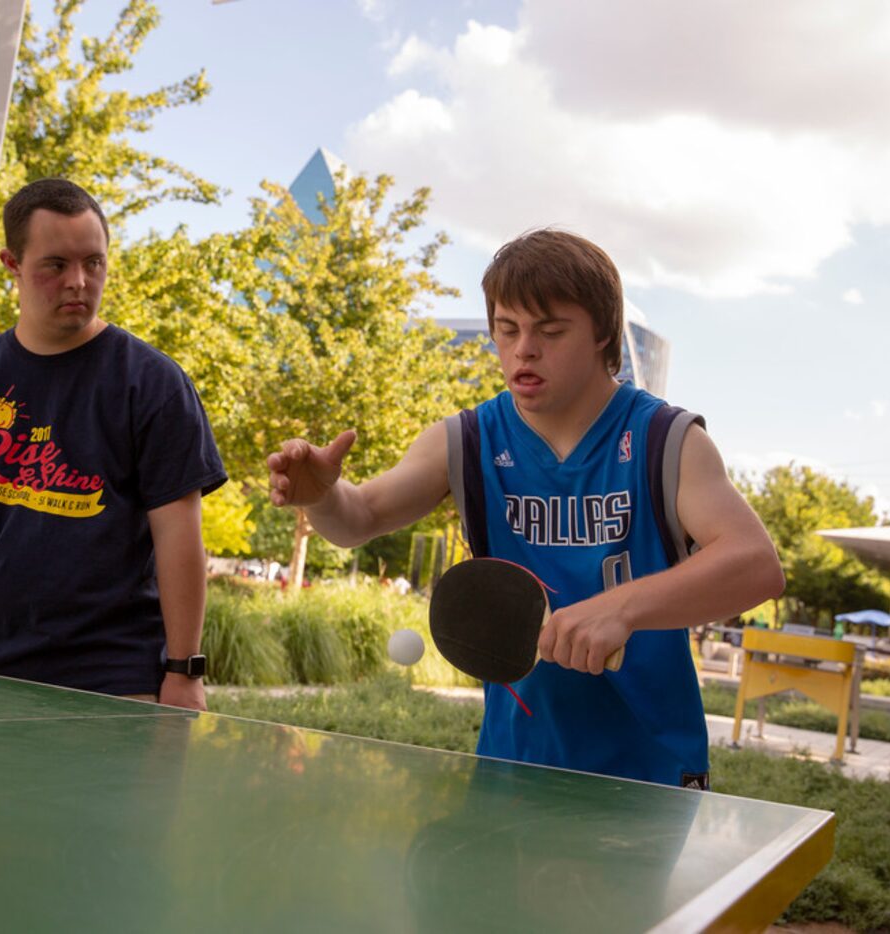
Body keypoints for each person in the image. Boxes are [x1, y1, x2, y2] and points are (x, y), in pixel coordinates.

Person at [266, 229, 784, 787]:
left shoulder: (666, 439)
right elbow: (359, 518)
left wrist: (622, 608)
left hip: (649, 772)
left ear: (603, 333)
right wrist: (321, 495)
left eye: (550, 331)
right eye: (507, 330)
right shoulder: (465, 440)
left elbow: (755, 563)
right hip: (511, 764)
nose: (523, 349)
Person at [0, 178, 226, 710]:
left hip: (115, 682)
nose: (79, 282)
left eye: (94, 263)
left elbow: (179, 538)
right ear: (12, 264)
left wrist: (184, 672)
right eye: (56, 265)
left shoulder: (154, 384)